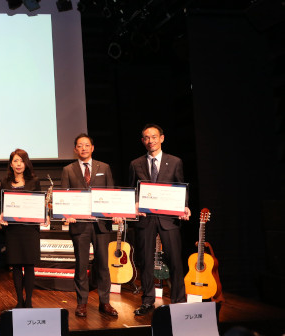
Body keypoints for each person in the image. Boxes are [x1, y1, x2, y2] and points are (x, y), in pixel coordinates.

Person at [129, 124, 190, 316]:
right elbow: (133, 190)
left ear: (162, 138)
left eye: (154, 137)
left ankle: (178, 301)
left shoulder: (175, 161)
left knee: (175, 260)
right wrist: (135, 203)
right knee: (146, 261)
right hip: (145, 219)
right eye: (147, 138)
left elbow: (181, 187)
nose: (151, 141)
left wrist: (184, 206)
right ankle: (147, 301)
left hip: (168, 218)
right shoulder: (135, 164)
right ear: (143, 141)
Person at [60, 134, 119, 318]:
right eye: (80, 146)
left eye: (86, 145)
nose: (83, 148)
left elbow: (111, 193)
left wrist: (115, 213)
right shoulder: (68, 170)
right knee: (81, 265)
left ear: (92, 148)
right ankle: (82, 303)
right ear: (75, 149)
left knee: (103, 265)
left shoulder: (104, 167)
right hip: (79, 225)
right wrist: (66, 214)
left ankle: (105, 302)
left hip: (101, 225)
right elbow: (63, 196)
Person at [0, 149, 44, 308]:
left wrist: (43, 215)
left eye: (22, 161)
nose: (19, 164)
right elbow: (2, 204)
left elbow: (39, 204)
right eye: (16, 161)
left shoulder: (34, 181)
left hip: (30, 229)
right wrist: (2, 214)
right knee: (16, 265)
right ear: (11, 164)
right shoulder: (5, 181)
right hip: (13, 230)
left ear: (26, 163)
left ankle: (29, 301)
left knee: (29, 265)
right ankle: (19, 300)